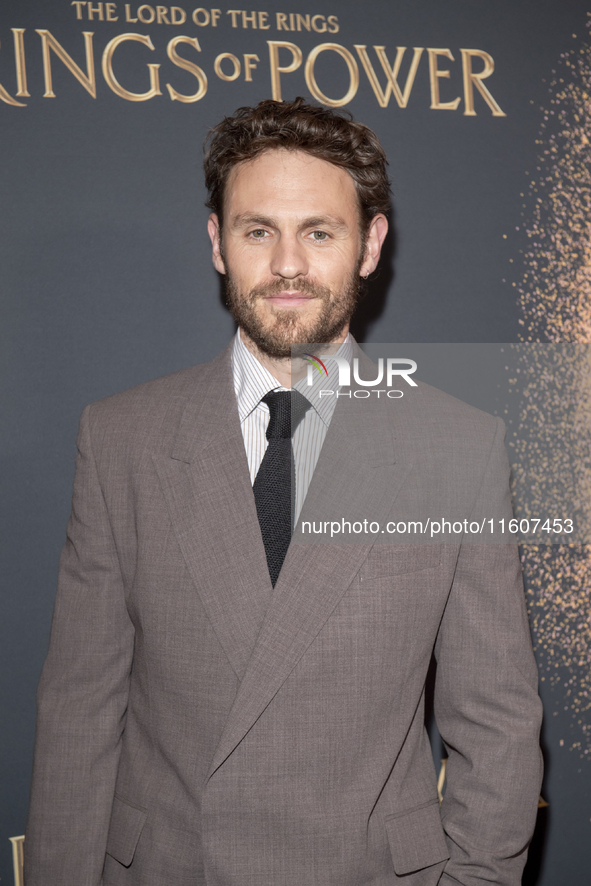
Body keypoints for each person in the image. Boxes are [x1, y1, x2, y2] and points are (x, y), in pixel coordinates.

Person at [24, 97, 543, 886]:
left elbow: (496, 721)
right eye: (257, 230)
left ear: (369, 246)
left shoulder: (459, 447)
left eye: (320, 232)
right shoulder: (120, 437)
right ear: (217, 243)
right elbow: (80, 712)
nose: (288, 264)